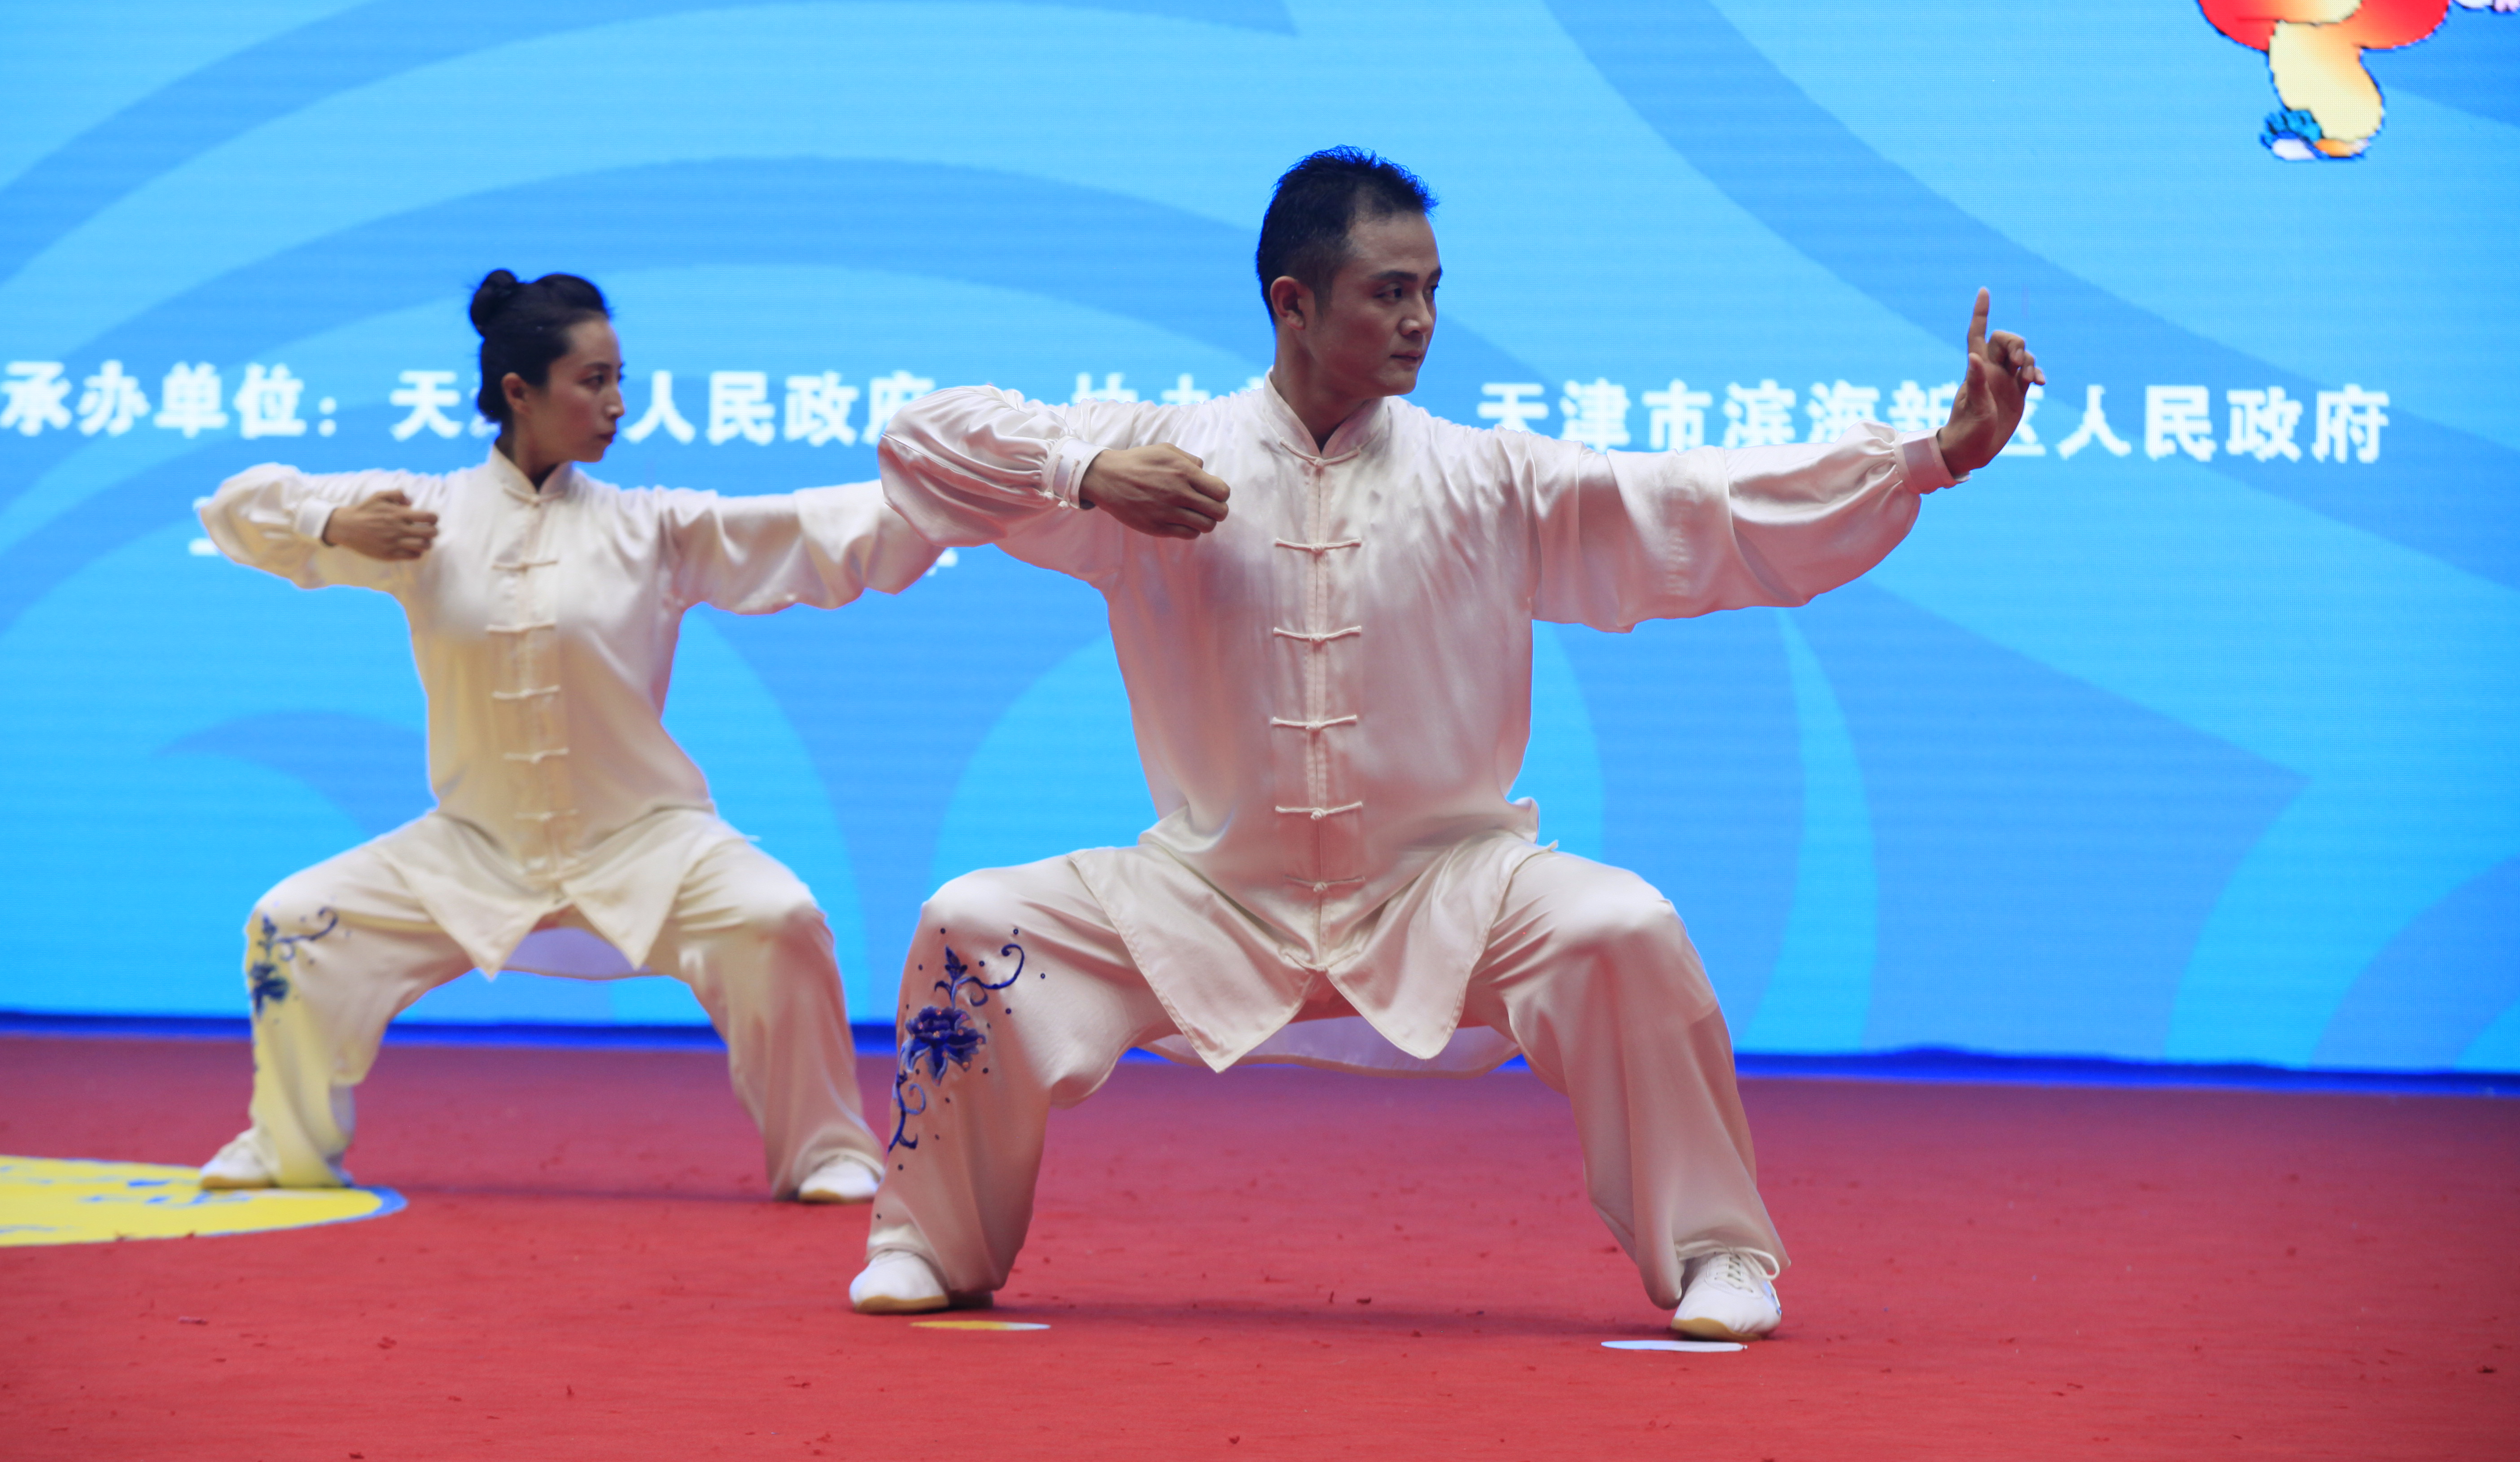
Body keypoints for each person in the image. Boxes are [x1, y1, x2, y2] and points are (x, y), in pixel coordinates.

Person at [853, 149, 2042, 1338]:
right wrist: (1085, 474)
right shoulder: (1159, 461)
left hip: (1450, 891)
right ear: (1293, 303)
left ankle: (1719, 1252)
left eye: (1431, 290)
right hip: (1208, 891)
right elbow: (916, 442)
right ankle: (930, 1243)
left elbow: (1704, 508)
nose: (1422, 319)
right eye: (1390, 292)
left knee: (1623, 929)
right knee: (973, 922)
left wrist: (1933, 457)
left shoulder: (1486, 476)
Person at [194, 270, 937, 1203]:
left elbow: (821, 528)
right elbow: (235, 506)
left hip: (646, 841)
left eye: (620, 378)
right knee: (291, 923)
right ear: (520, 391)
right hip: (475, 845)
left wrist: (994, 490)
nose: (618, 403)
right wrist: (330, 523)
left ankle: (826, 1149)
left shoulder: (652, 528)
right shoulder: (420, 517)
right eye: (594, 381)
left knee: (778, 918)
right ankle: (286, 1145)